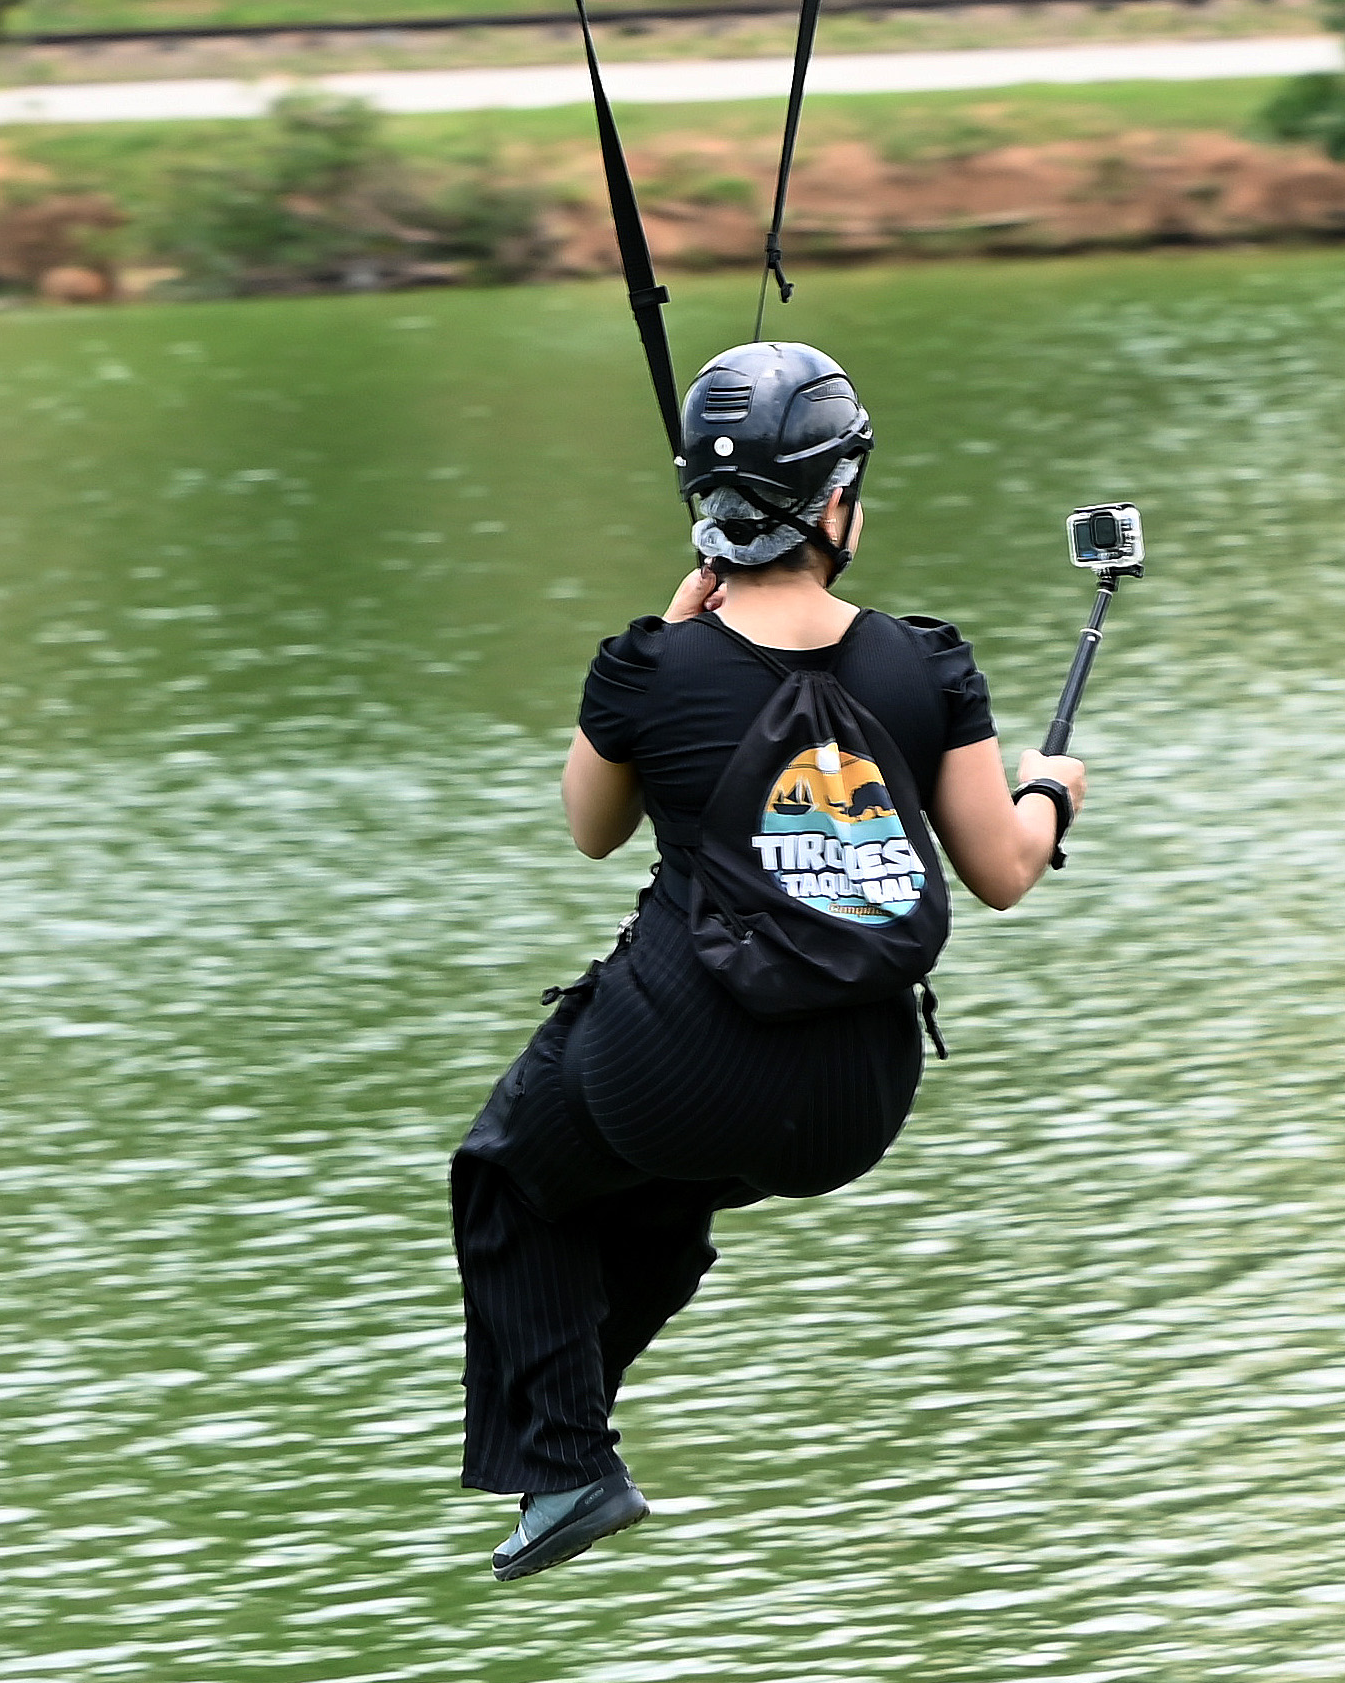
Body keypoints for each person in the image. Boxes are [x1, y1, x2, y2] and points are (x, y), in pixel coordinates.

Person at [451, 340, 1088, 1582]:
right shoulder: (928, 662)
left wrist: (668, 637)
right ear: (839, 498)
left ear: (708, 505)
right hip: (857, 1101)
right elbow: (1005, 871)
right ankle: (571, 1437)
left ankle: (569, 1462)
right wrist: (1052, 793)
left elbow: (590, 832)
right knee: (650, 1199)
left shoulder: (643, 663)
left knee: (511, 1176)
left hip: (675, 1071)